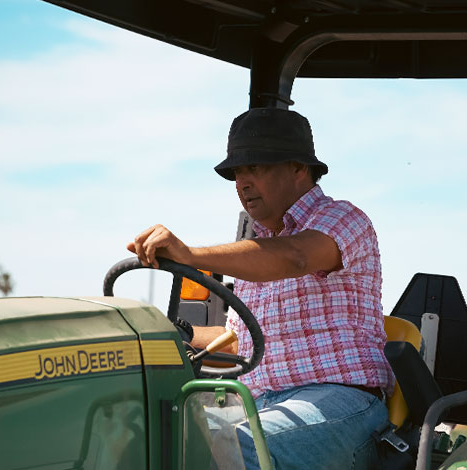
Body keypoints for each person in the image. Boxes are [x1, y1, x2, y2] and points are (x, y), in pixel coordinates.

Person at [128, 107, 394, 469]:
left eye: (255, 167)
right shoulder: (257, 248)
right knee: (152, 433)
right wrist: (168, 333)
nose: (243, 182)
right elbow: (239, 342)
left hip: (343, 401)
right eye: (237, 173)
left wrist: (190, 255)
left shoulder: (342, 220)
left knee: (233, 448)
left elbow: (296, 257)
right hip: (257, 403)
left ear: (298, 167)